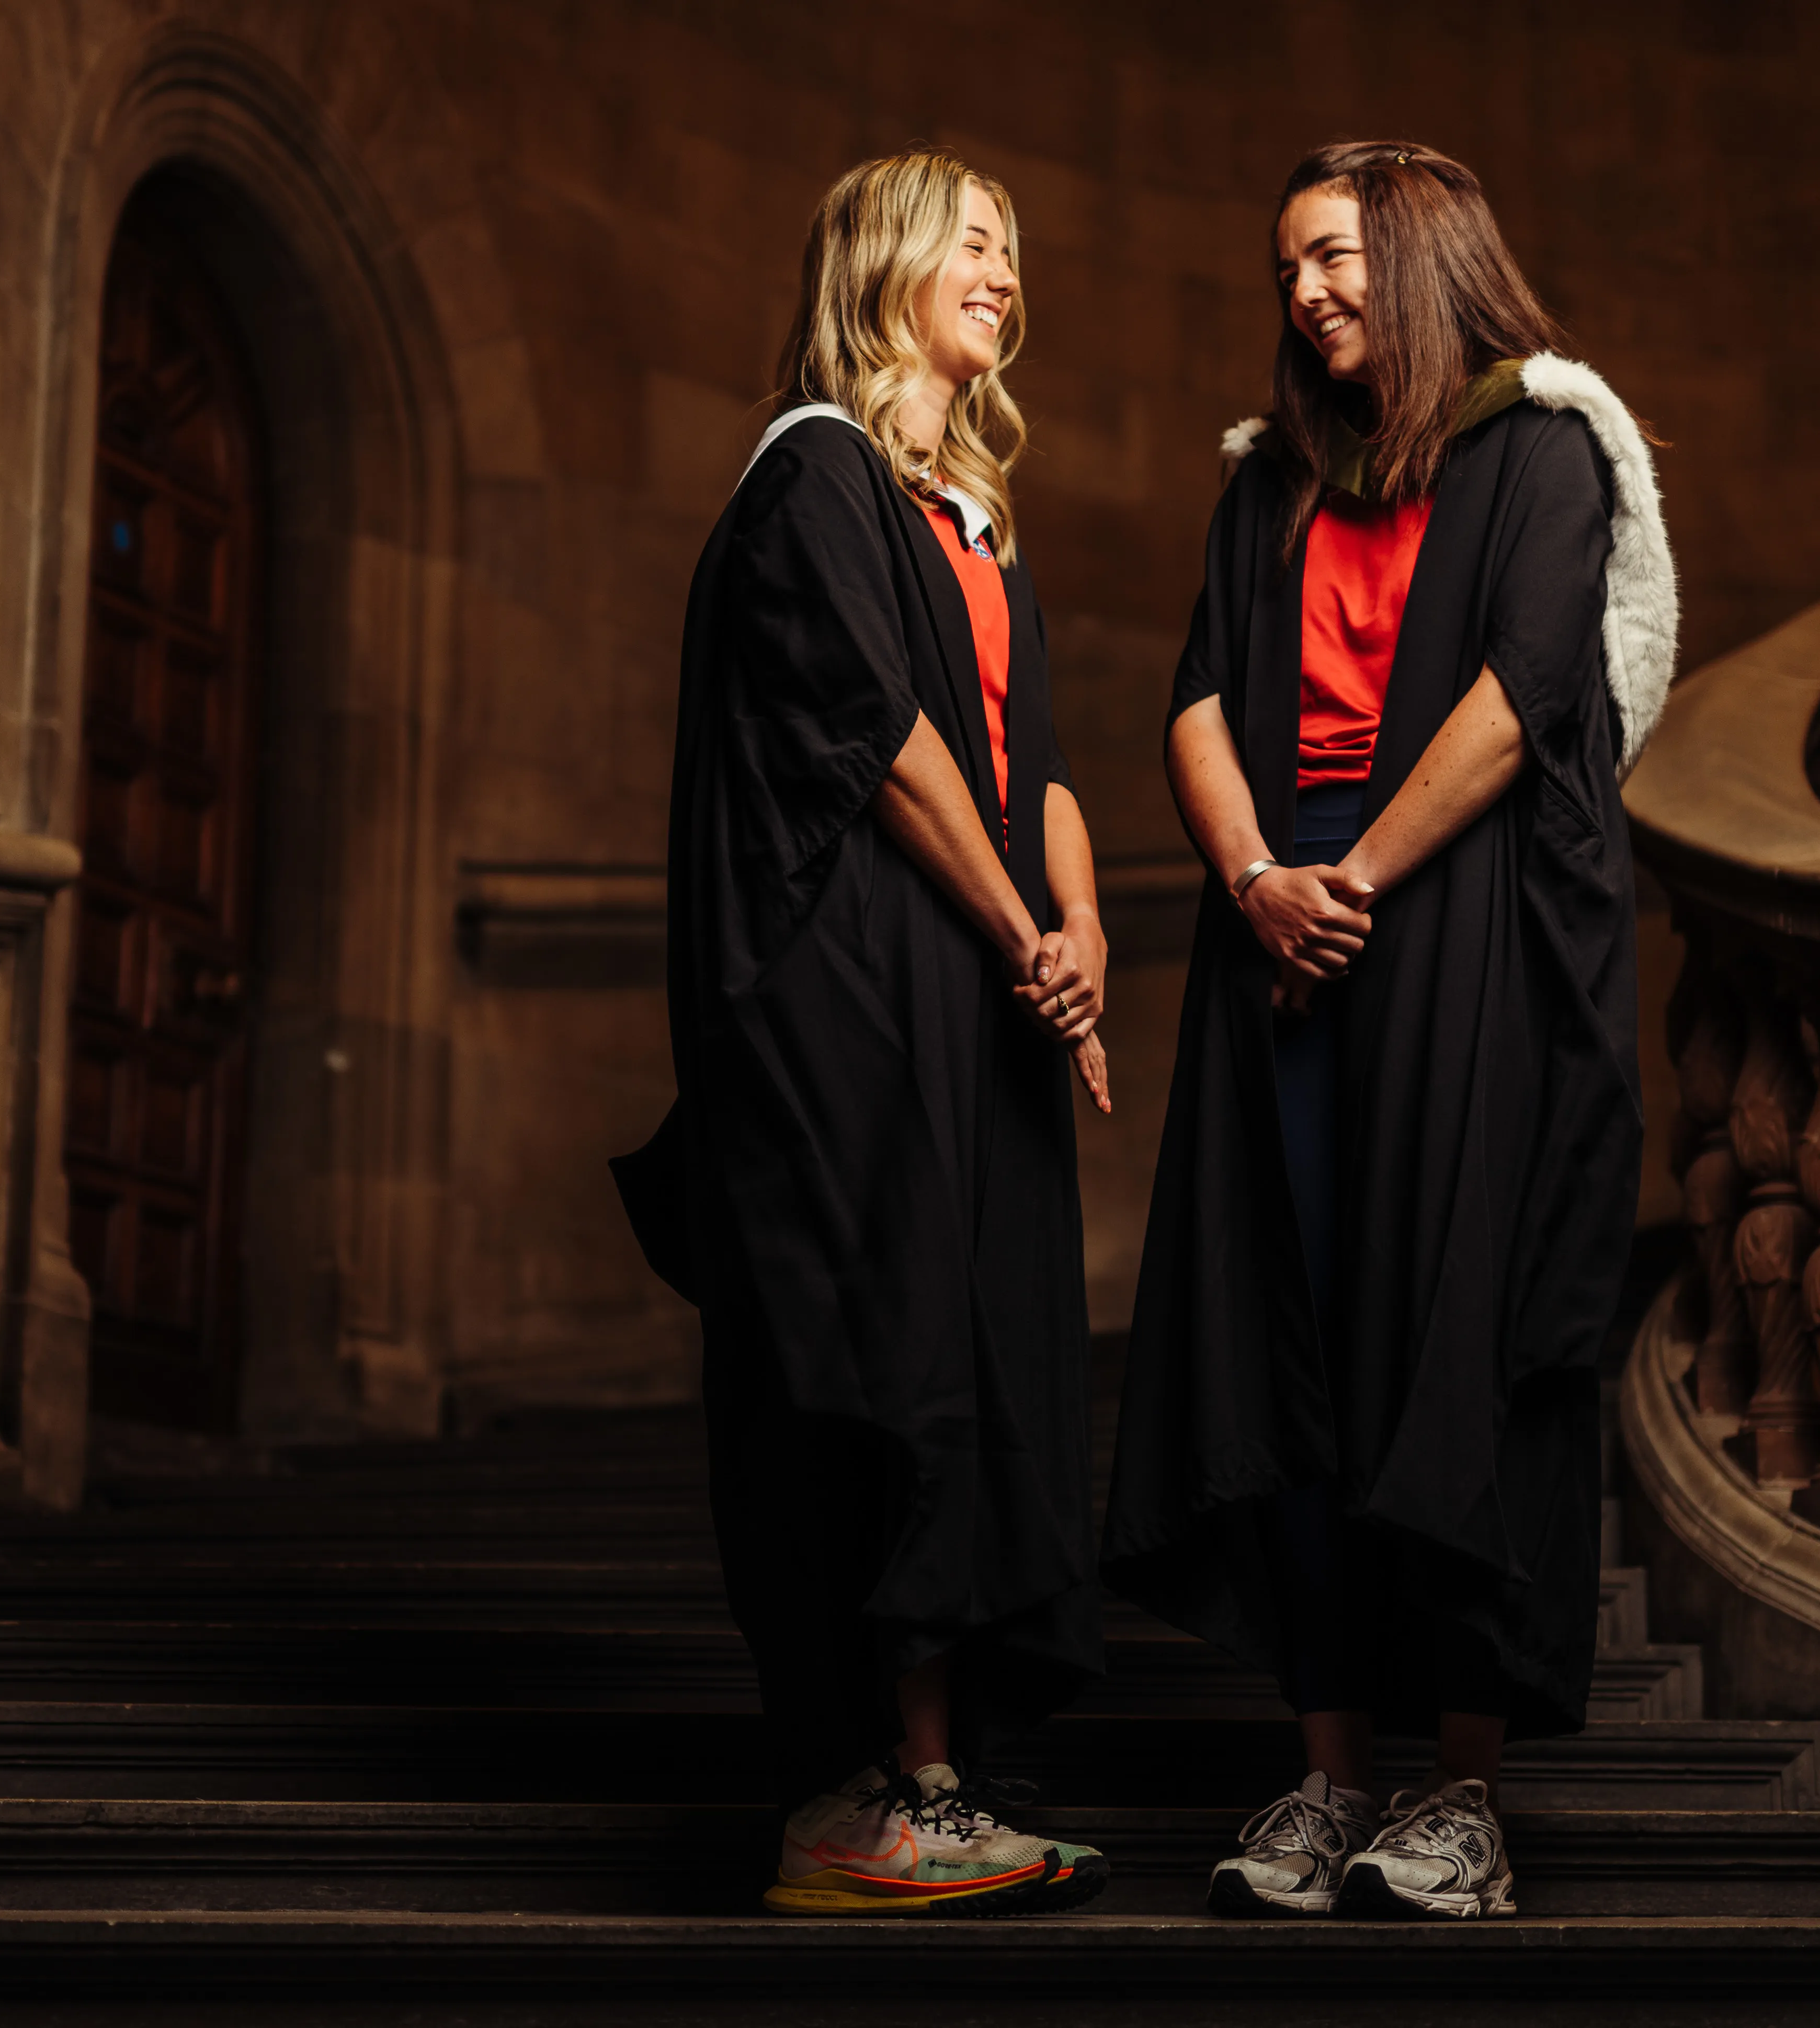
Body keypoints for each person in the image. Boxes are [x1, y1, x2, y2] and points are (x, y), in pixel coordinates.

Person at [1101, 140, 1676, 1922]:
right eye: (1287, 268)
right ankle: (1328, 1772)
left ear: (1424, 253)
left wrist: (1346, 874)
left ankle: (1466, 1797)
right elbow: (1196, 692)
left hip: (1466, 942)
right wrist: (1264, 875)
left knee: (1461, 1328)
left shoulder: (1545, 446)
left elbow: (1526, 695)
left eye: (1334, 257)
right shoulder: (1270, 481)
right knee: (1290, 1342)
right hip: (1285, 935)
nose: (1306, 295)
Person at [614, 147, 1117, 1918]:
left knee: (976, 1370)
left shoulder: (972, 520)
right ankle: (853, 1797)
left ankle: (930, 1780)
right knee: (881, 1369)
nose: (1003, 268)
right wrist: (1015, 927)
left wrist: (1082, 933)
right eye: (973, 240)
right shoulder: (815, 475)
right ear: (886, 262)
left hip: (967, 1003)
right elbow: (890, 745)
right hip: (855, 1006)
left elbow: (1026, 759)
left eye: (1012, 246)